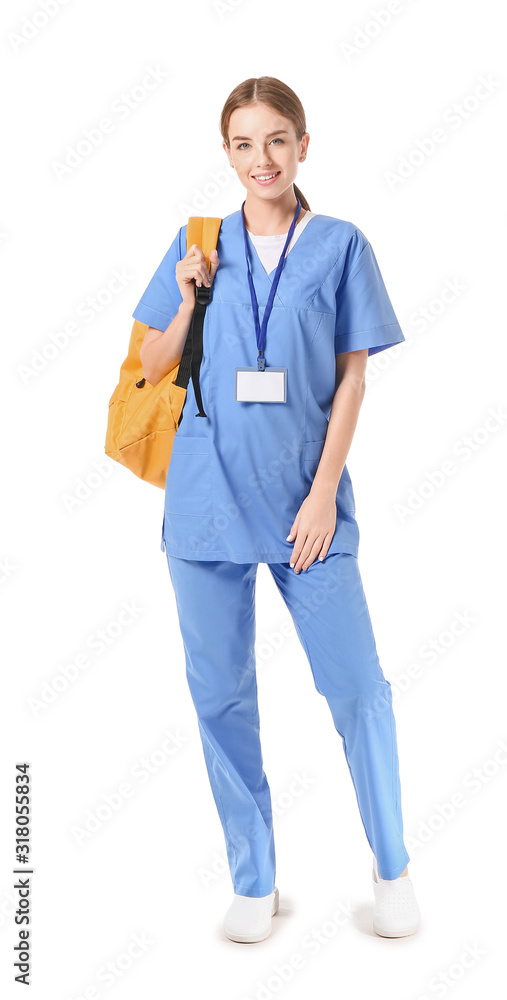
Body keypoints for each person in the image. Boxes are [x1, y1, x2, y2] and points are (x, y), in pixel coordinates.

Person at [132, 76, 421, 944]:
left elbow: (352, 378)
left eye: (276, 140)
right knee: (220, 697)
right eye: (243, 143)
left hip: (306, 507)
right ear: (226, 153)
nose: (261, 159)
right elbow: (151, 365)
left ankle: (392, 868)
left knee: (359, 690)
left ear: (302, 144)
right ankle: (253, 880)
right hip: (205, 505)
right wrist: (190, 295)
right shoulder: (198, 242)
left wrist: (324, 492)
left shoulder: (339, 245)